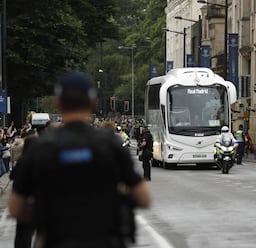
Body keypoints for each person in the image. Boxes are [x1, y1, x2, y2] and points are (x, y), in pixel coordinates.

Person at [8, 71, 151, 248]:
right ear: (92, 102)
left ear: (58, 103)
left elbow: (15, 207)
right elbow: (143, 198)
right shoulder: (109, 144)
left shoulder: (40, 148)